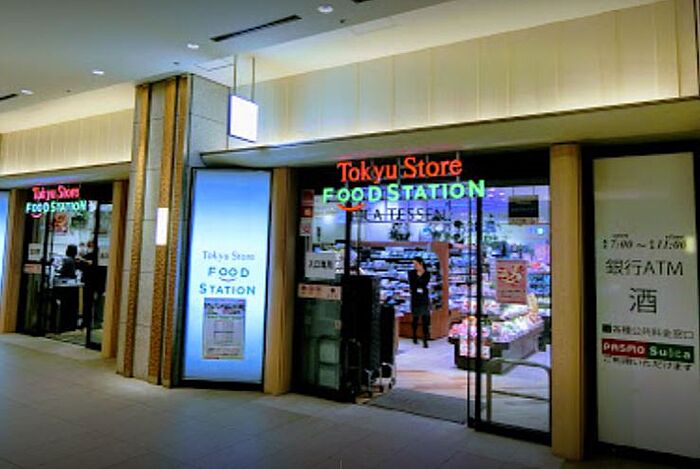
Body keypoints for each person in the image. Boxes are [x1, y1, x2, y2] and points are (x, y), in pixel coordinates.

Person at [408, 256, 431, 348]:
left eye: (416, 264)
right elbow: (412, 285)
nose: (414, 266)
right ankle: (414, 336)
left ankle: (425, 339)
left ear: (421, 263)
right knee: (415, 318)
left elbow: (424, 284)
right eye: (413, 264)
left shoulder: (427, 273)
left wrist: (418, 285)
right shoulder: (411, 273)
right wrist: (418, 285)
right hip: (415, 298)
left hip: (424, 298)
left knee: (425, 318)